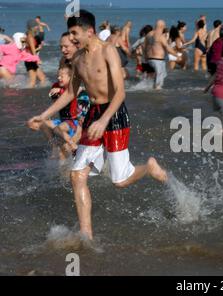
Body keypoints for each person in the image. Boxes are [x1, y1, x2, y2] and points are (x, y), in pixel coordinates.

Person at [27, 10, 168, 240]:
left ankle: (148, 168)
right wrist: (44, 115)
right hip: (94, 115)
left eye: (75, 33)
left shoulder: (107, 50)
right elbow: (71, 92)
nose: (72, 38)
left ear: (89, 31)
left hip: (113, 115)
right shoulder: (79, 59)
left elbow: (121, 92)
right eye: (70, 33)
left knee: (120, 181)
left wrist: (104, 120)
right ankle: (86, 235)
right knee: (77, 175)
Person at [29, 64, 90, 159]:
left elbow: (75, 93)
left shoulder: (78, 90)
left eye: (62, 76)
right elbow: (55, 103)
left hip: (73, 122)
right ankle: (54, 148)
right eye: (58, 76)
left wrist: (61, 91)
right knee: (43, 124)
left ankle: (72, 144)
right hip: (62, 121)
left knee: (59, 131)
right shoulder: (56, 87)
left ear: (71, 78)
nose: (59, 78)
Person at [144, 20, 178, 89]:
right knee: (158, 85)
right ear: (162, 26)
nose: (165, 27)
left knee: (150, 82)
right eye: (164, 25)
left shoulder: (148, 35)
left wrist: (145, 58)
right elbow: (167, 48)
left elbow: (145, 47)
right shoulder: (160, 36)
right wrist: (176, 55)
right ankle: (156, 98)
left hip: (148, 60)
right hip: (158, 61)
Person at [24, 19, 46, 88]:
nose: (37, 27)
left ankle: (37, 94)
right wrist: (38, 60)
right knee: (32, 82)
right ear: (32, 27)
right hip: (30, 60)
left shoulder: (31, 36)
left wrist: (38, 48)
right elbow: (33, 51)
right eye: (36, 26)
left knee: (42, 78)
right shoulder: (30, 37)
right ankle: (26, 95)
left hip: (31, 59)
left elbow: (30, 49)